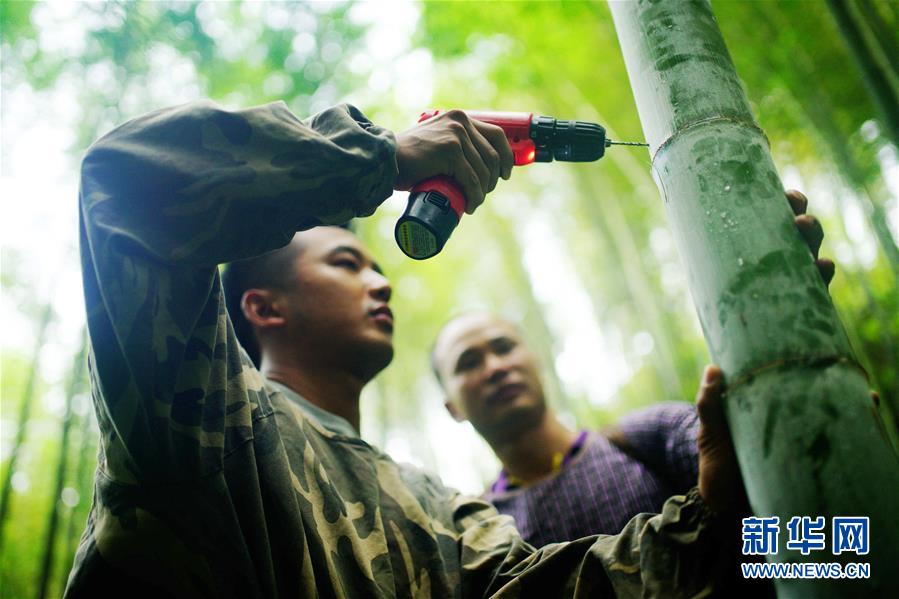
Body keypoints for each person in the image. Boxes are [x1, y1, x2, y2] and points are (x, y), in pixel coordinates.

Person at [68, 99, 744, 598]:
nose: (380, 283)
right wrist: (376, 158)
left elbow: (566, 587)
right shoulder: (209, 417)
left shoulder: (439, 511)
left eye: (378, 268)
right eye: (346, 263)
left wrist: (729, 517)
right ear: (264, 307)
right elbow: (127, 184)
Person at [430, 192, 834, 547]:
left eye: (504, 348)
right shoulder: (475, 537)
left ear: (537, 362)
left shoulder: (652, 436)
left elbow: (784, 508)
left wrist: (770, 333)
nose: (496, 367)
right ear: (451, 407)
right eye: (469, 362)